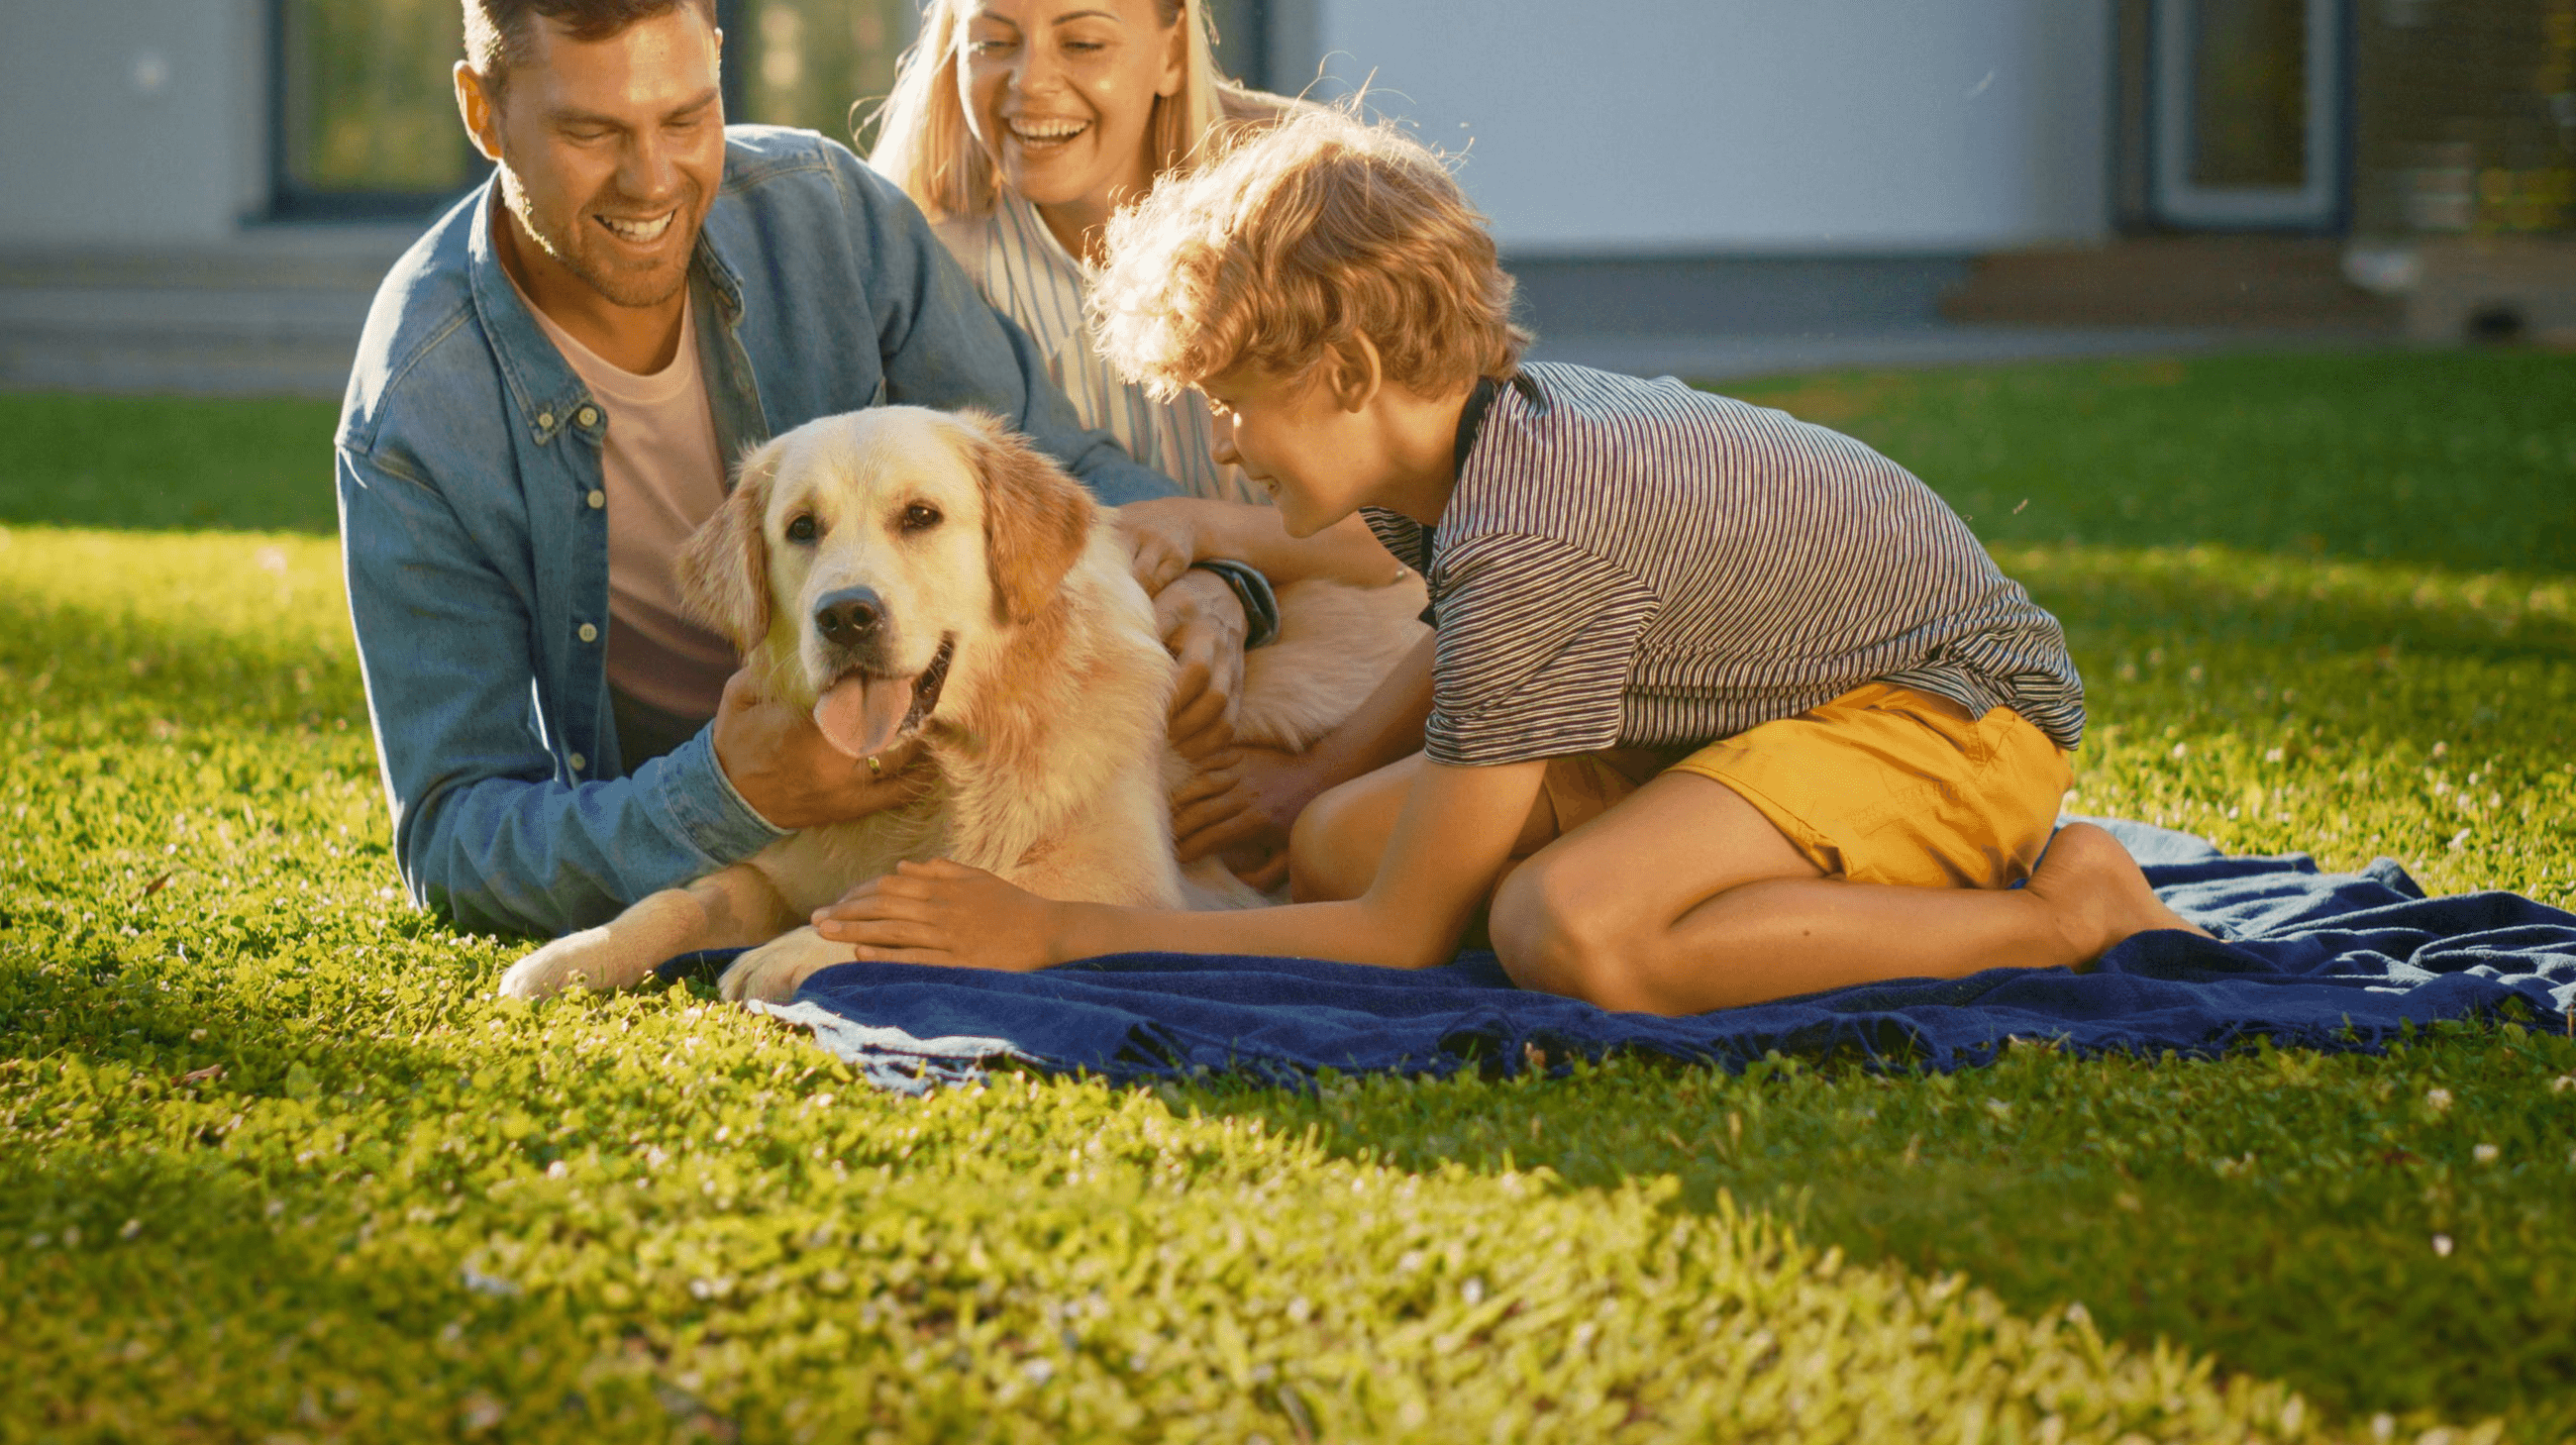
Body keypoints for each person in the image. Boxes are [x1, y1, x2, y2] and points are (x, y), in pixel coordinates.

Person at [811, 105, 2203, 1015]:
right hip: (1773, 710)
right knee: (1338, 839)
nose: (1226, 448)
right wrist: (1319, 771)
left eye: (1237, 400)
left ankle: (2058, 917)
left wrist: (1050, 935)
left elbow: (1402, 943)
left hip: (1947, 720)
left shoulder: (1538, 524)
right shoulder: (1476, 451)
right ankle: (1764, 878)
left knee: (1571, 933)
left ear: (1350, 371)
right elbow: (1467, 645)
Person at [337, 0, 1247, 942]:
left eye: (687, 115)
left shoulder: (824, 212)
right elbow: (455, 835)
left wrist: (1225, 582)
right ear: (483, 113)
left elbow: (1057, 465)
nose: (652, 179)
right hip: (712, 826)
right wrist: (732, 792)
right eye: (592, 132)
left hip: (954, 760)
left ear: (720, 62)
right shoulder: (419, 406)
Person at [870, 0, 1419, 864]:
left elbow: (1424, 526)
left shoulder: (1306, 212)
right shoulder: (926, 267)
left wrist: (1215, 546)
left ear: (1172, 52)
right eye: (991, 42)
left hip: (1359, 667)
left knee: (1353, 847)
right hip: (1095, 693)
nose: (1032, 84)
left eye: (1084, 41)